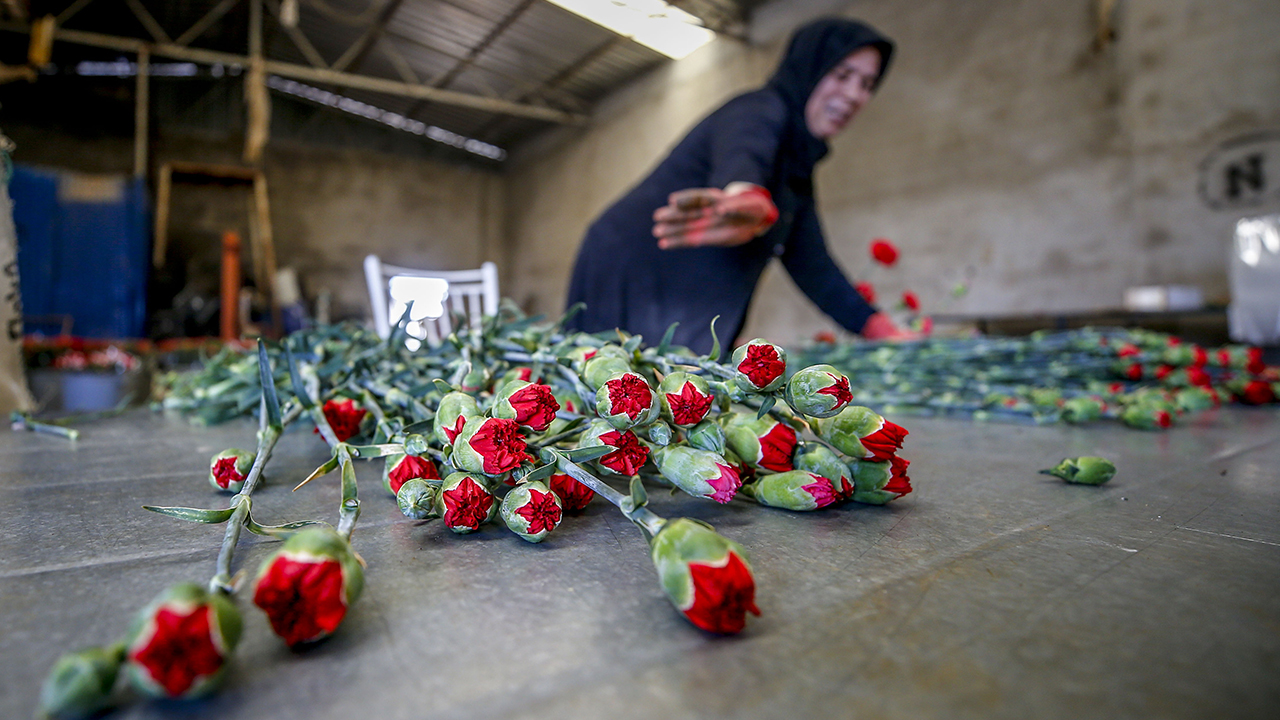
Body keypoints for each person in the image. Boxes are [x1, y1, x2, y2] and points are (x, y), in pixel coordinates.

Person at [564, 17, 915, 353]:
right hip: (632, 268)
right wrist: (745, 195)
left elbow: (812, 264)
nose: (854, 94)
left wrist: (881, 329)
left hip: (680, 294)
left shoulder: (796, 170)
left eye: (867, 84)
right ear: (809, 68)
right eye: (842, 75)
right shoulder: (758, 110)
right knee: (619, 389)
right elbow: (744, 155)